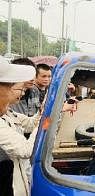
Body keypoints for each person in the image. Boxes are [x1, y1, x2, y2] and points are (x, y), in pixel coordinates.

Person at [0, 56, 36, 196]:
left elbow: (30, 123)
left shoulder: (8, 113)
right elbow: (25, 149)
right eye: (10, 87)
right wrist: (46, 122)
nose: (21, 94)